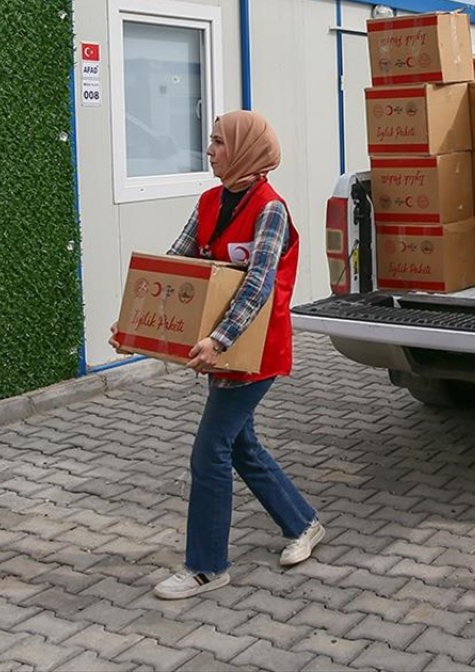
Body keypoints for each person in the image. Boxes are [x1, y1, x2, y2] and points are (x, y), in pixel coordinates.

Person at [112, 110, 324, 600]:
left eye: (218, 142)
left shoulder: (271, 209)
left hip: (253, 351)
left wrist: (220, 339)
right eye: (211, 142)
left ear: (246, 150)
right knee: (240, 445)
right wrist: (135, 324)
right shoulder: (209, 200)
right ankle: (303, 523)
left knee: (210, 451)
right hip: (218, 351)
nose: (209, 150)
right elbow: (178, 264)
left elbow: (258, 284)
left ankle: (207, 566)